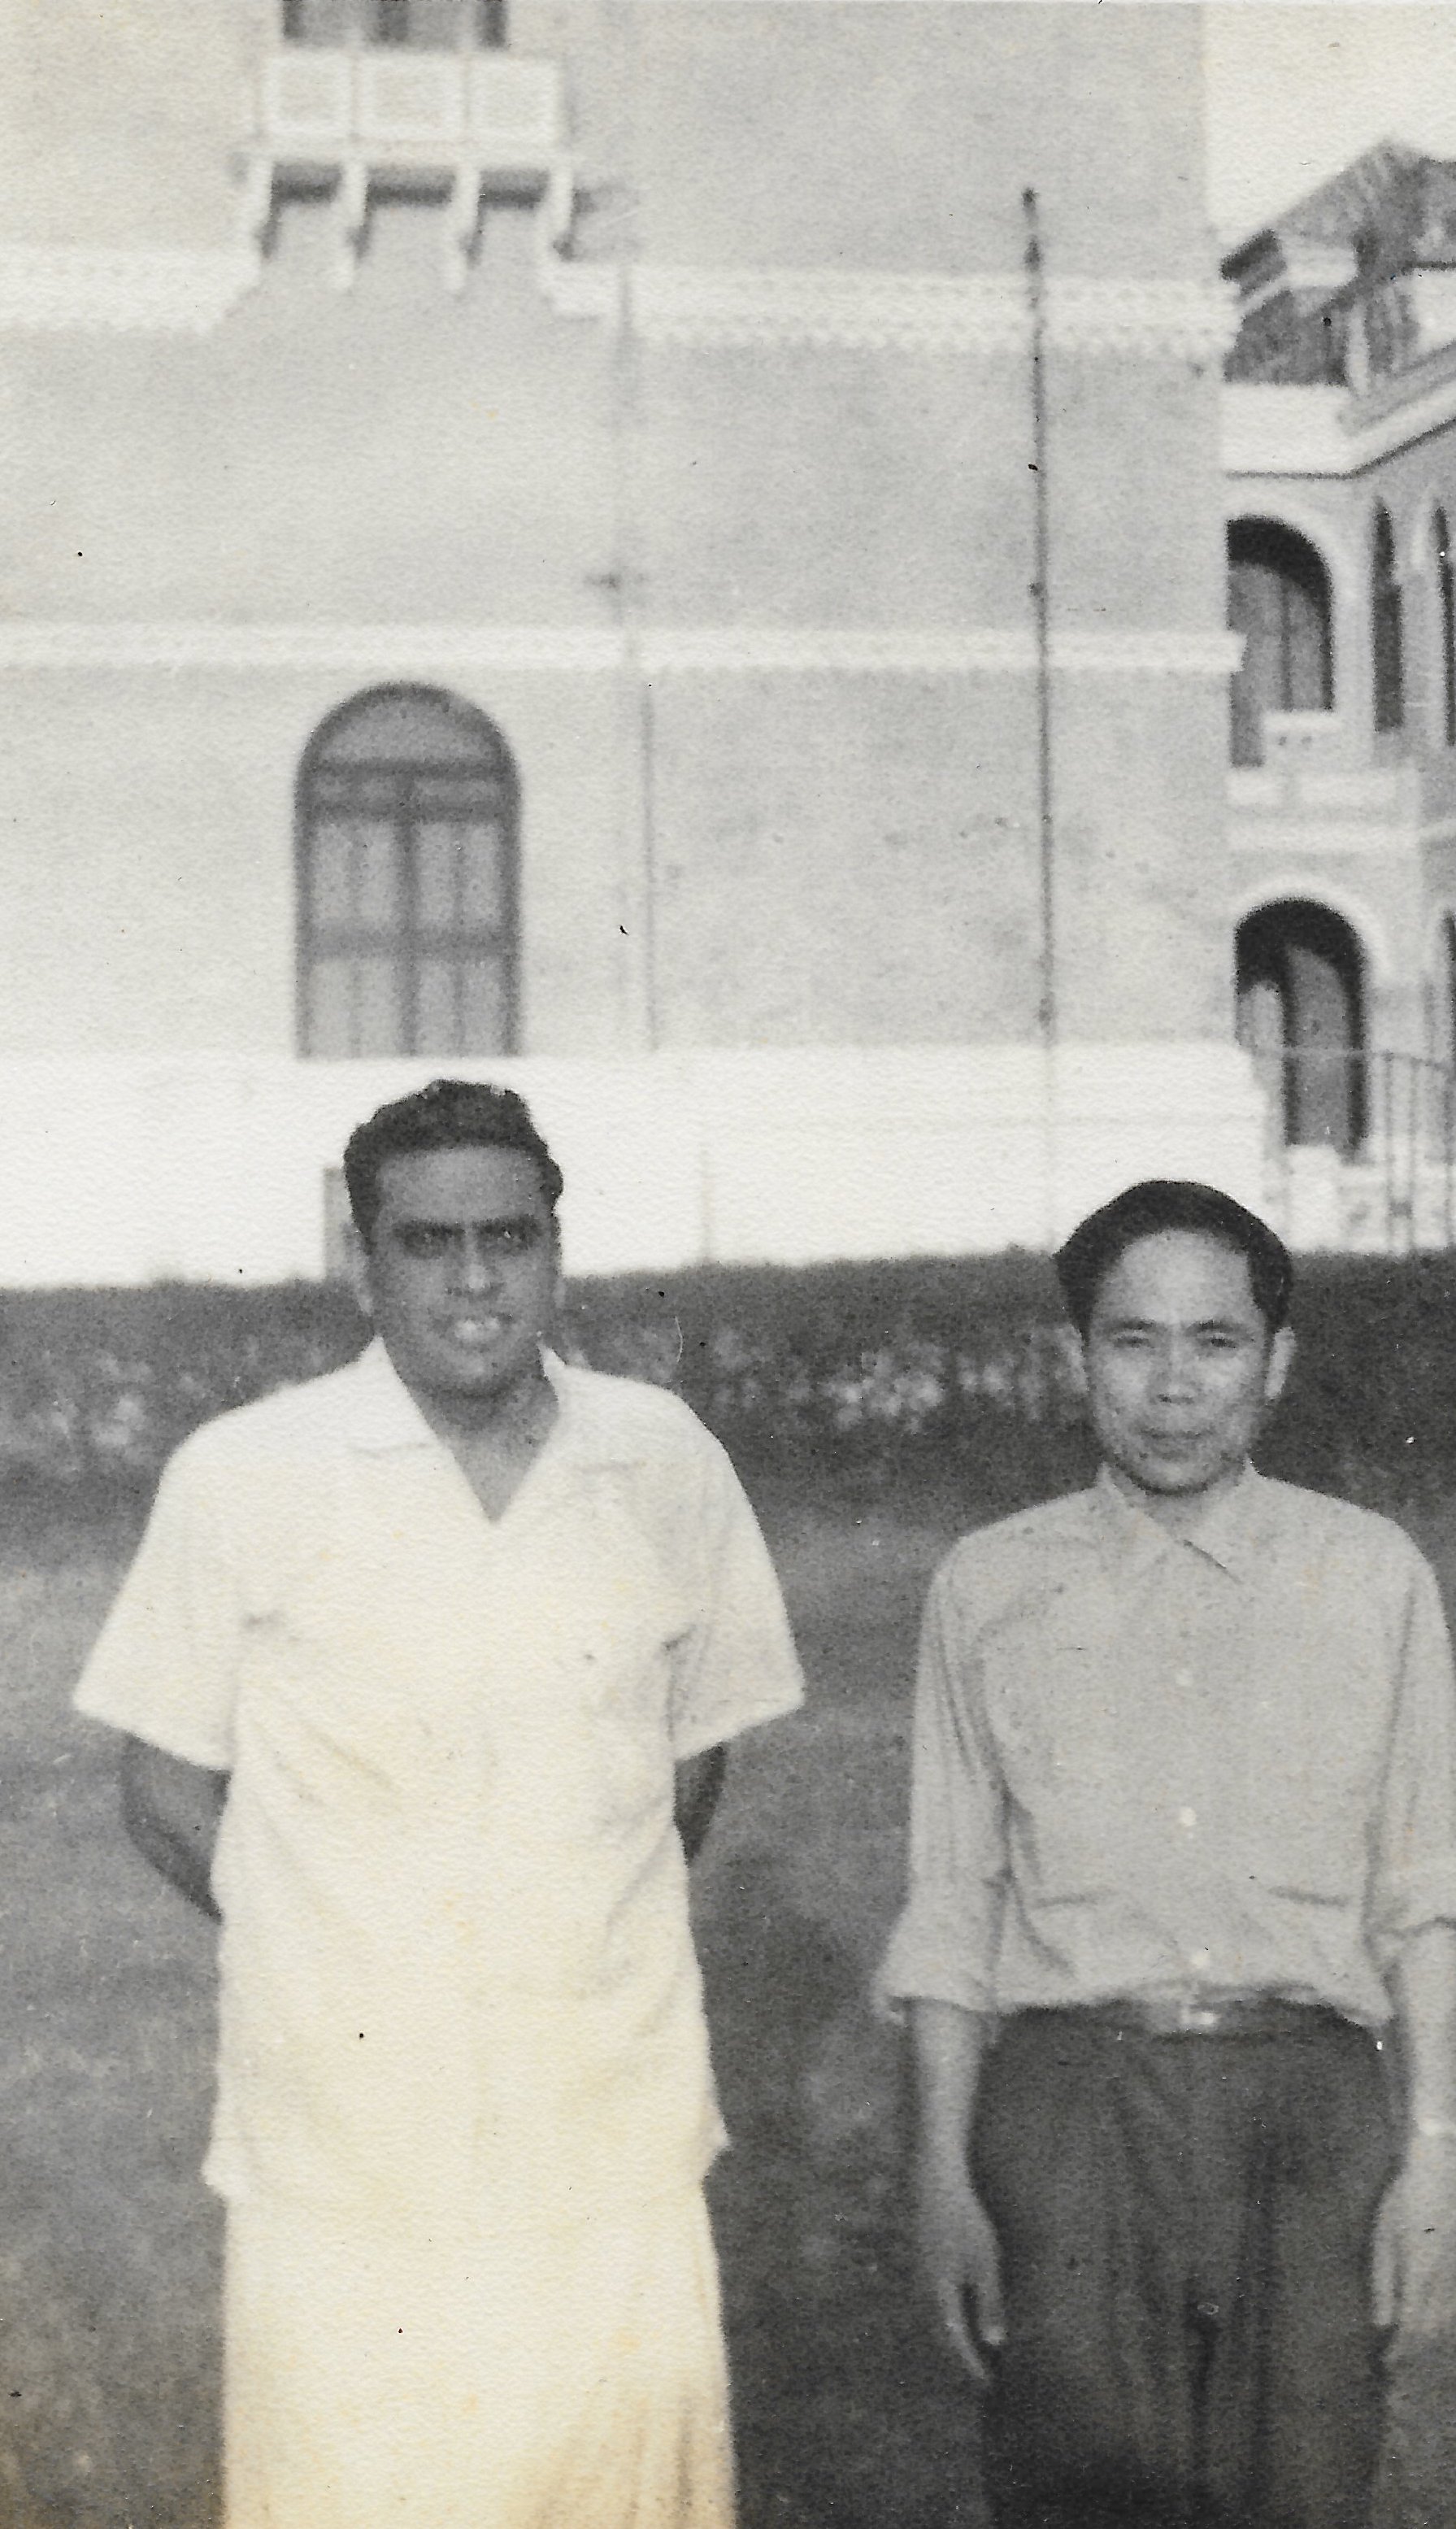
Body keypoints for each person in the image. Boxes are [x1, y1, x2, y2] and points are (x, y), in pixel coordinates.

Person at [76, 1077, 805, 2529]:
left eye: (508, 1237)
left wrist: (568, 1920)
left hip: (609, 2126)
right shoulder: (247, 1473)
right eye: (427, 1242)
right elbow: (162, 1783)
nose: (475, 1279)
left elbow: (688, 1755)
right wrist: (325, 1936)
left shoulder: (662, 1457)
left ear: (556, 1250)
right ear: (364, 1262)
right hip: (345, 2145)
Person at [879, 1178, 1456, 2529]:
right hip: (1071, 2105)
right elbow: (953, 1901)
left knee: (1304, 2496)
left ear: (1277, 1360)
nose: (1176, 1386)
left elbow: (1426, 1891)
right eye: (1134, 1340)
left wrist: (1435, 2154)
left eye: (1217, 1341)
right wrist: (944, 2176)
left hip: (1309, 2111)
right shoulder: (989, 1584)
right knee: (1080, 2494)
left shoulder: (1370, 1575)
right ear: (1077, 1355)